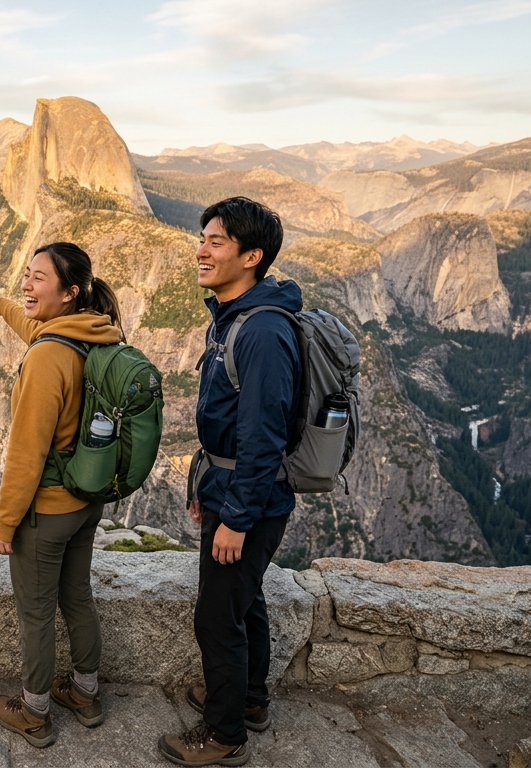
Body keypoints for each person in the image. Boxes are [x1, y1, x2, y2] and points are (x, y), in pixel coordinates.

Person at [158, 198, 301, 767]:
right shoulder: (234, 317)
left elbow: (263, 436)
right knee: (246, 602)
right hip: (229, 488)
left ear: (252, 256)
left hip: (251, 499)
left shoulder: (261, 332)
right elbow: (228, 423)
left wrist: (237, 517)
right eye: (203, 238)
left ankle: (223, 735)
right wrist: (205, 491)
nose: (201, 249)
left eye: (216, 241)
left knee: (217, 618)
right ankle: (249, 699)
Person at [0, 242, 124, 748]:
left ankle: (34, 711)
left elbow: (25, 453)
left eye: (39, 278)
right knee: (77, 596)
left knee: (36, 614)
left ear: (70, 292)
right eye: (27, 275)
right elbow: (39, 332)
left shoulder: (46, 359)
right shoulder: (96, 335)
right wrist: (1, 305)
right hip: (87, 500)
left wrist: (4, 523)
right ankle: (85, 691)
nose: (28, 284)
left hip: (47, 510)